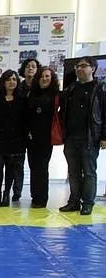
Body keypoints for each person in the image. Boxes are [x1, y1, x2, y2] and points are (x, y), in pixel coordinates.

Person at [59, 56, 106, 215]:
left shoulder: (100, 88)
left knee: (89, 172)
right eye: (77, 66)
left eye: (83, 66)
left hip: (90, 137)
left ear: (93, 69)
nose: (79, 69)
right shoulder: (71, 88)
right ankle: (74, 201)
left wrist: (104, 136)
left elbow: (104, 114)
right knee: (73, 172)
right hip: (71, 137)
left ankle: (88, 203)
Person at [0, 69, 28, 207]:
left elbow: (26, 121)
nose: (12, 82)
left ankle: (6, 193)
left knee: (11, 169)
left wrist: (24, 139)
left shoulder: (22, 99)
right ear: (3, 82)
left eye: (14, 79)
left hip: (16, 141)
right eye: (9, 79)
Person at [26, 66, 60, 208]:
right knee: (33, 167)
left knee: (41, 167)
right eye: (42, 76)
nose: (44, 79)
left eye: (47, 76)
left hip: (46, 138)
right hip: (31, 138)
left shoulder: (56, 95)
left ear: (52, 79)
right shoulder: (32, 94)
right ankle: (35, 197)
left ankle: (42, 199)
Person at [13, 58, 42, 201]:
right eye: (28, 66)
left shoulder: (41, 87)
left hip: (37, 133)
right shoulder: (18, 87)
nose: (30, 69)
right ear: (23, 70)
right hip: (19, 131)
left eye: (33, 66)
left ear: (37, 70)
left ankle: (36, 195)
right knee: (18, 163)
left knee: (35, 164)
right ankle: (16, 193)